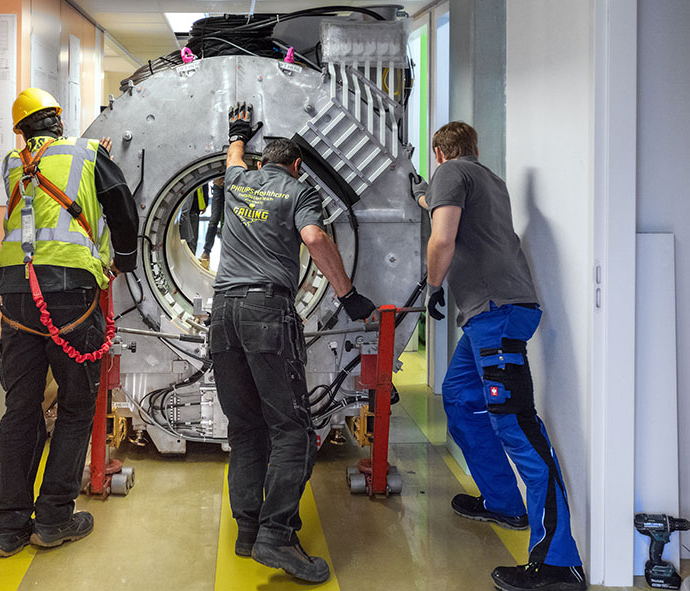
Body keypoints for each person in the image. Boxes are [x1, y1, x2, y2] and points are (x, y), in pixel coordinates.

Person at [413, 121, 586, 591]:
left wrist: (430, 287)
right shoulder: (488, 178)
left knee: (517, 424)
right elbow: (439, 202)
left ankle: (558, 562)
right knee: (458, 397)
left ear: (439, 152)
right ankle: (504, 502)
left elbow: (442, 237)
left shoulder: (451, 174)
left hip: (495, 314)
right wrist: (422, 192)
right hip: (491, 314)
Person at [210, 103, 376, 584]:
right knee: (293, 432)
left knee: (244, 427)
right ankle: (276, 535)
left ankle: (247, 530)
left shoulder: (239, 182)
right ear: (297, 164)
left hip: (222, 314)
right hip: (266, 312)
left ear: (264, 162)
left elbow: (231, 160)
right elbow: (314, 238)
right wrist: (347, 294)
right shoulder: (300, 191)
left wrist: (237, 132)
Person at [0, 88, 139, 558]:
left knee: (21, 409)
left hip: (16, 293)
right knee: (76, 405)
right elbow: (121, 204)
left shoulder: (13, 163)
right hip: (70, 292)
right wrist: (127, 259)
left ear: (21, 130)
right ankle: (53, 518)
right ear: (58, 119)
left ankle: (8, 529)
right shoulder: (88, 152)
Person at [198, 177, 225, 267]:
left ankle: (229, 253)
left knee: (231, 222)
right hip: (218, 187)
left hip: (233, 188)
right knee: (213, 221)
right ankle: (206, 251)